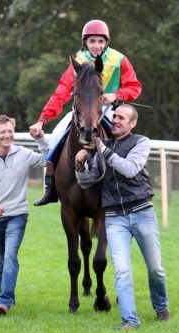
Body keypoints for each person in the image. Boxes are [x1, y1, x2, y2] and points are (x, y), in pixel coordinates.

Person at [74, 104, 169, 329]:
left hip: (142, 212)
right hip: (115, 217)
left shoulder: (141, 142)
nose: (115, 120)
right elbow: (88, 181)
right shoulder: (102, 146)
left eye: (122, 117)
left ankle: (161, 306)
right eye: (114, 116)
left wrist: (102, 149)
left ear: (132, 123)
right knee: (122, 271)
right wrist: (80, 166)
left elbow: (129, 169)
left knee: (155, 268)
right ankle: (130, 321)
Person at [29, 19, 142, 206]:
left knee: (120, 143)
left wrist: (117, 94)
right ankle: (50, 187)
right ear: (85, 43)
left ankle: (126, 188)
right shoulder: (78, 62)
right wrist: (42, 120)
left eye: (100, 41)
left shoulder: (119, 59)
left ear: (106, 42)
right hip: (81, 111)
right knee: (56, 138)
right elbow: (62, 92)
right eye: (92, 41)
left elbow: (135, 87)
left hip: (108, 110)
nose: (96, 45)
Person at [0, 115, 48, 316]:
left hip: (17, 215)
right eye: (2, 131)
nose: (7, 135)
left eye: (10, 131)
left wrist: (40, 140)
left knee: (9, 256)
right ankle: (7, 295)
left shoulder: (22, 153)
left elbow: (47, 159)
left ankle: (3, 301)